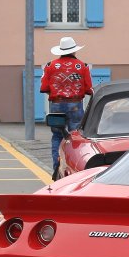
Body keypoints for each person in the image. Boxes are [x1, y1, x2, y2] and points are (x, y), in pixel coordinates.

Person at [40, 36, 93, 179]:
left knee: (57, 136)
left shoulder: (50, 66)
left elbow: (44, 87)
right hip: (75, 105)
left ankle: (57, 168)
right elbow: (89, 89)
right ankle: (74, 168)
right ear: (74, 51)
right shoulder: (82, 66)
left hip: (56, 105)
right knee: (75, 136)